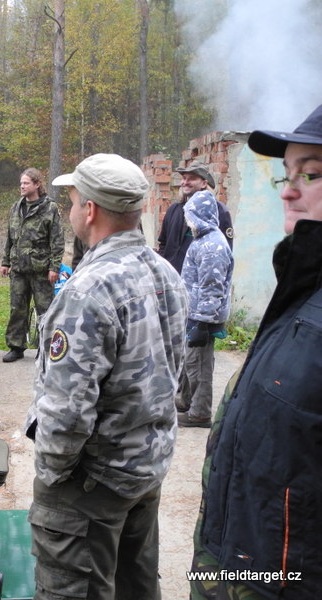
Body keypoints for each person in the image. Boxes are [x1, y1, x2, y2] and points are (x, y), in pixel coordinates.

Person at [24, 153, 188, 600]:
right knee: (135, 587)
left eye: (73, 200)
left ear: (90, 209)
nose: (71, 210)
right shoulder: (166, 273)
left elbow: (67, 410)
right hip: (143, 470)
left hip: (91, 485)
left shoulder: (87, 290)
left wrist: (52, 478)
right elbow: (173, 372)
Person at [189, 104, 322, 599]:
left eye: (312, 174)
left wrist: (202, 320)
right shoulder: (301, 290)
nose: (287, 190)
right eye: (286, 174)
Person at [177, 191, 234, 428]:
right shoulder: (202, 240)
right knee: (190, 361)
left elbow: (212, 287)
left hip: (203, 318)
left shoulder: (212, 246)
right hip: (195, 314)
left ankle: (199, 413)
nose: (187, 221)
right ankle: (186, 401)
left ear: (200, 215)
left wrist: (202, 322)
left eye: (189, 217)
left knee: (199, 365)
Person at [0, 168, 64, 362]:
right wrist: (5, 262)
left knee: (45, 310)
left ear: (37, 184)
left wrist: (54, 267)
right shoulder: (16, 207)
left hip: (41, 269)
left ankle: (45, 348)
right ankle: (16, 346)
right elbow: (10, 237)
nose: (22, 186)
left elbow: (57, 240)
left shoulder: (49, 208)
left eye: (26, 183)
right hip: (19, 268)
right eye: (21, 183)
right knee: (17, 308)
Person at [157, 161, 234, 273]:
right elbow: (163, 244)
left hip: (199, 279)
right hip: (170, 278)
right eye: (184, 178)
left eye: (191, 178)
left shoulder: (220, 211)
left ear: (204, 183)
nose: (185, 182)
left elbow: (224, 252)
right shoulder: (173, 210)